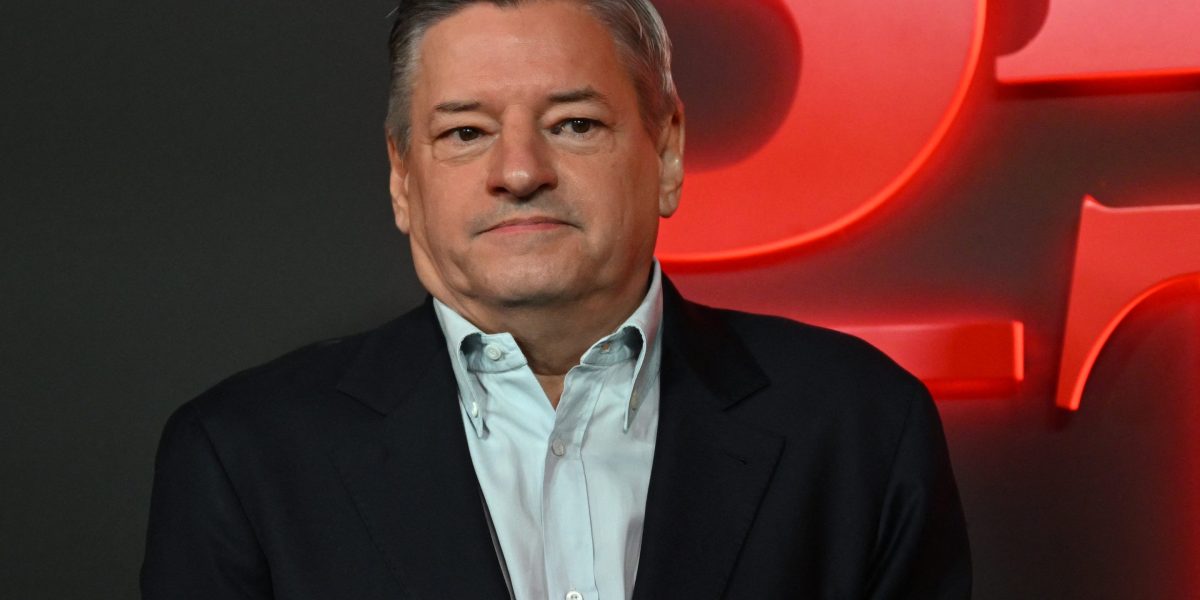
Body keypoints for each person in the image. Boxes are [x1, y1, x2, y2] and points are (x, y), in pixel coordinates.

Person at [141, 0, 971, 598]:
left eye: (573, 124)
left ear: (667, 150)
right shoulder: (241, 456)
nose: (519, 171)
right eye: (465, 132)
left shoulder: (859, 423)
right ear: (402, 178)